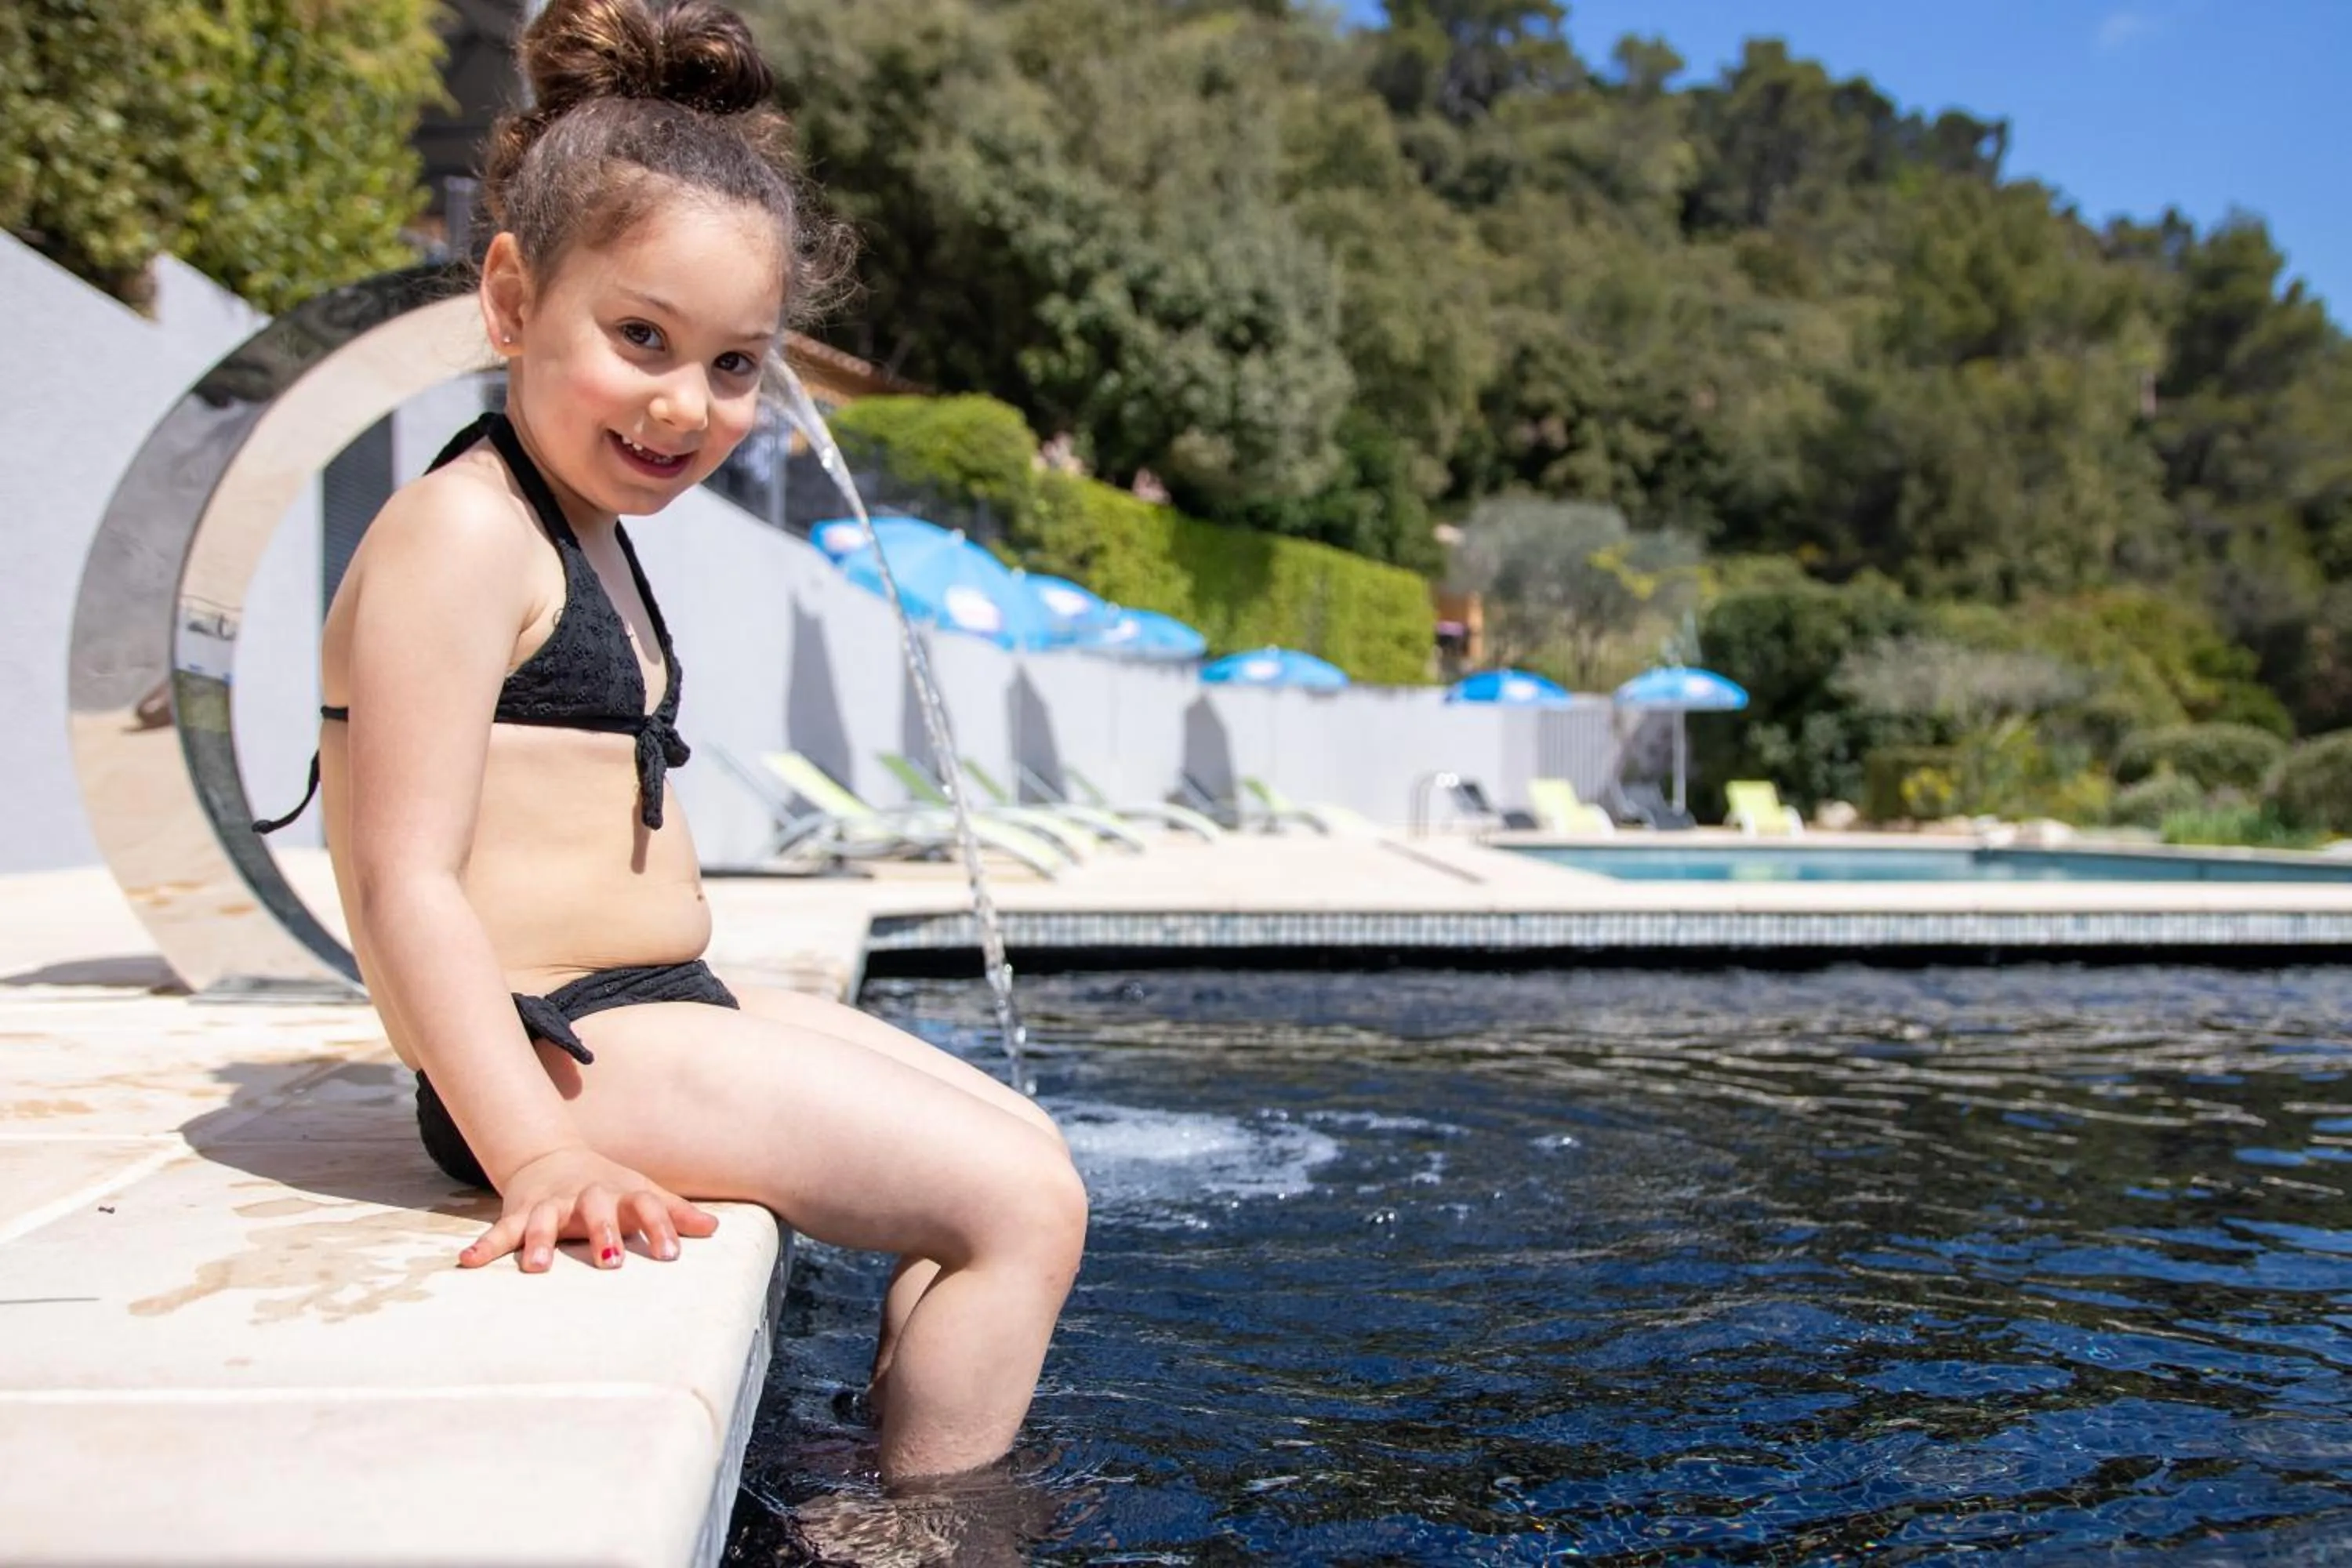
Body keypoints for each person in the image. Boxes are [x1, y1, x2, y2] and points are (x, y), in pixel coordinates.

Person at [256, 0, 1086, 1484]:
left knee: (1020, 1146)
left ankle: (873, 1456)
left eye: (730, 364)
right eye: (641, 337)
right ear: (512, 297)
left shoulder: (577, 522)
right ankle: (921, 1529)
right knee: (1018, 1209)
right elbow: (404, 885)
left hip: (646, 1002)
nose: (681, 403)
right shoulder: (462, 529)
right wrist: (537, 1152)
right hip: (551, 1052)